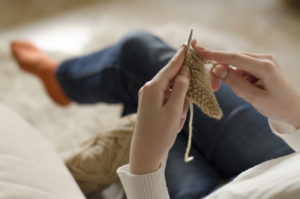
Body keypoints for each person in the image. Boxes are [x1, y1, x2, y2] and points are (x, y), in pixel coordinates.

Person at [11, 30, 300, 198]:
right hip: (287, 160)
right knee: (141, 54)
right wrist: (295, 115)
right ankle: (60, 81)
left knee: (149, 102)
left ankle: (63, 81)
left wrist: (144, 167)